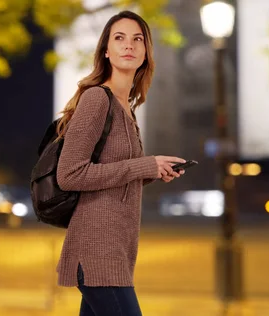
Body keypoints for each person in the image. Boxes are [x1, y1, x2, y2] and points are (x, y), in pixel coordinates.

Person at [55, 10, 187, 316]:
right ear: (106, 50)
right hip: (97, 250)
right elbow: (70, 174)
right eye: (119, 38)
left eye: (137, 39)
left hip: (117, 250)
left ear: (145, 52)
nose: (129, 45)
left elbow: (115, 175)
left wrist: (153, 171)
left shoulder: (126, 108)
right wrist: (143, 165)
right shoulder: (97, 99)